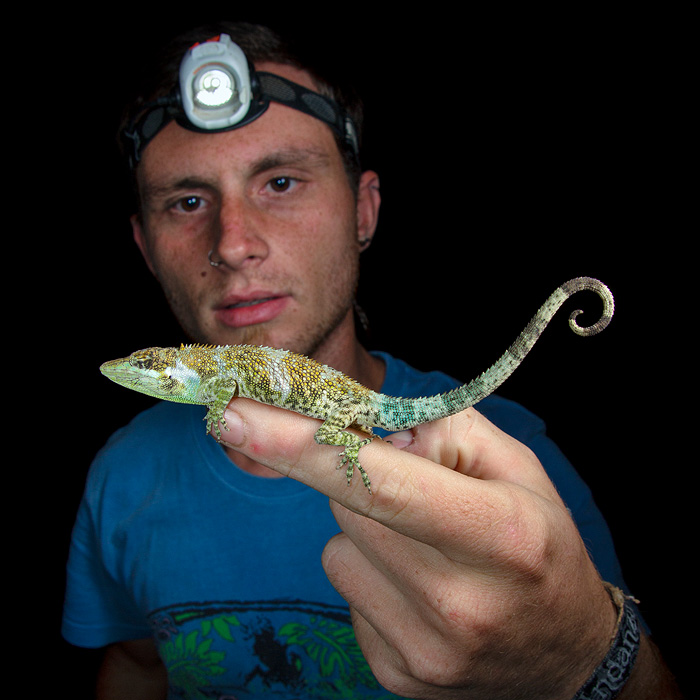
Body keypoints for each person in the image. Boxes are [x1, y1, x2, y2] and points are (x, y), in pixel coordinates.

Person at [62, 21, 682, 699]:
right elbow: (134, 665)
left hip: (361, 414)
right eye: (187, 201)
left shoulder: (511, 460)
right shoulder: (122, 477)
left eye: (281, 181)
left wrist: (585, 654)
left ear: (364, 211)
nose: (234, 244)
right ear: (144, 248)